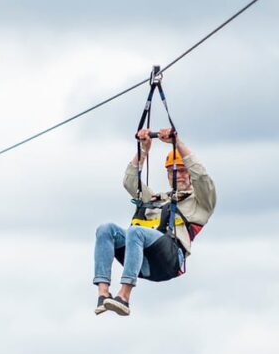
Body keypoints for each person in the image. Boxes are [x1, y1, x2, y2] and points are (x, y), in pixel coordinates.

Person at [93, 128, 216, 316]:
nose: (180, 175)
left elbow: (202, 177)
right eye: (175, 171)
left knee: (135, 231)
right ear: (168, 174)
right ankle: (103, 294)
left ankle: (124, 297)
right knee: (105, 229)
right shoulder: (156, 199)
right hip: (143, 259)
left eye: (184, 171)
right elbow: (130, 182)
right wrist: (143, 150)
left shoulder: (201, 202)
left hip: (170, 259)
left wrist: (178, 142)